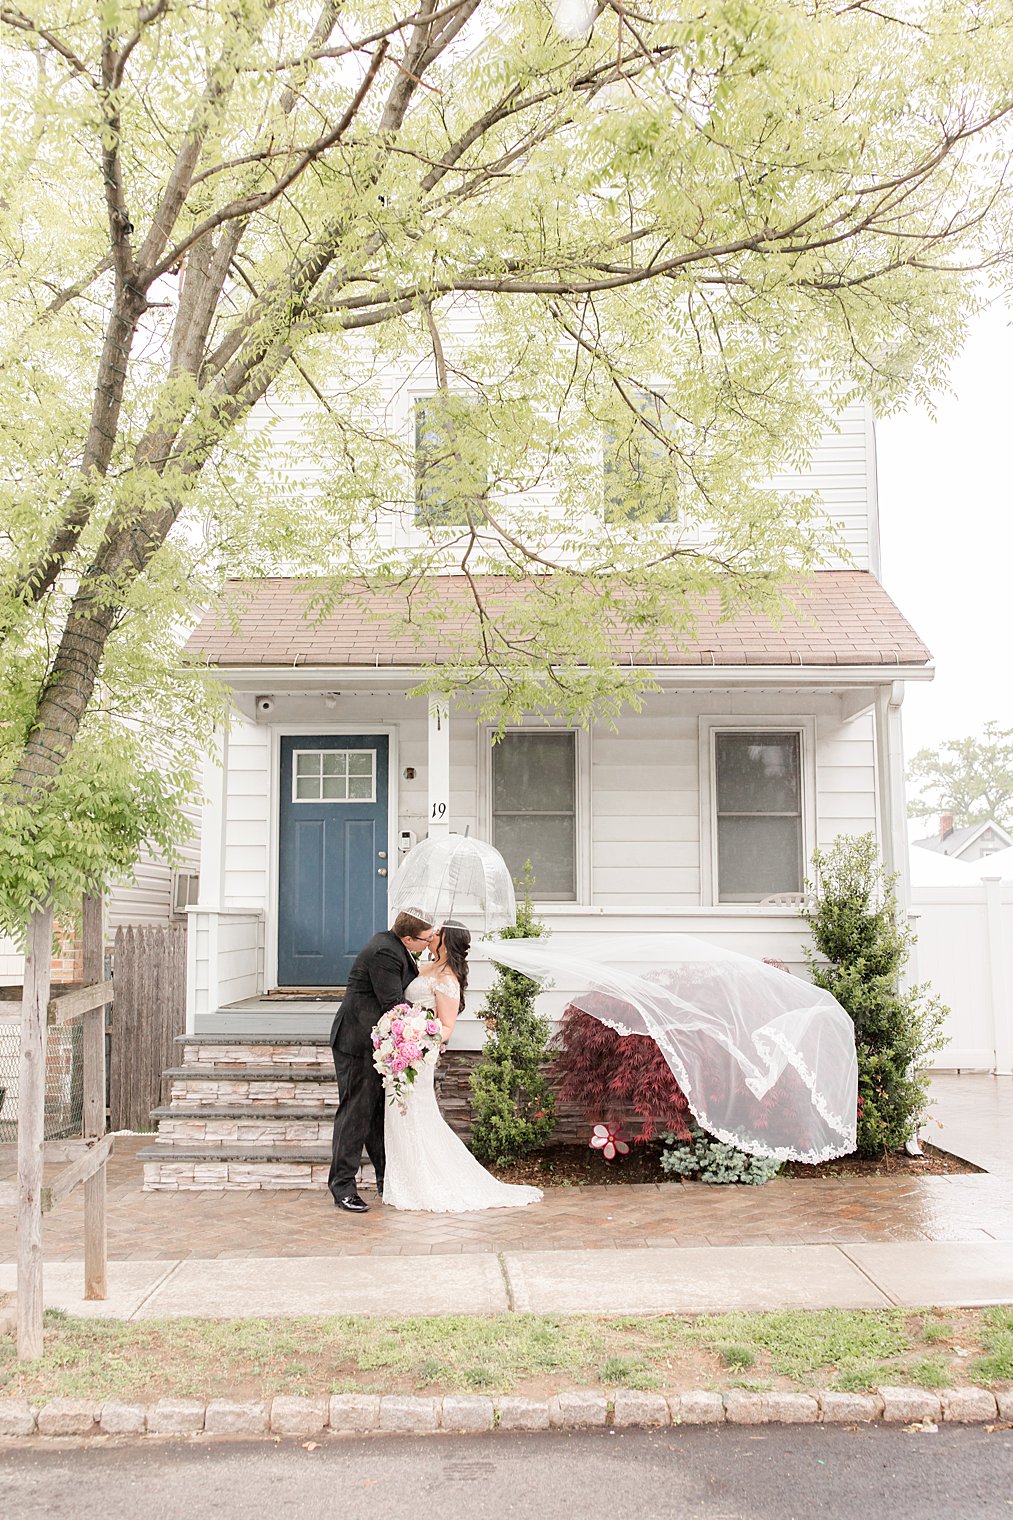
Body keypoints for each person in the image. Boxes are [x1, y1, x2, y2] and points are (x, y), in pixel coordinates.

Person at [383, 922, 543, 1212]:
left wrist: (418, 1036)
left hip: (418, 1056)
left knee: (417, 1113)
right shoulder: (424, 964)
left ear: (446, 941)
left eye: (436, 934)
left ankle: (427, 1181)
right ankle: (408, 1179)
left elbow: (446, 1027)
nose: (431, 936)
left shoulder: (448, 979)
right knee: (399, 1114)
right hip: (400, 1052)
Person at [327, 911, 433, 1213]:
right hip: (356, 1043)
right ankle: (342, 1186)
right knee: (355, 1114)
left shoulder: (397, 946)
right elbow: (394, 1005)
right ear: (409, 938)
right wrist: (430, 1022)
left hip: (376, 1045)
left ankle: (386, 1179)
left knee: (375, 1116)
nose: (427, 944)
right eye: (424, 940)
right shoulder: (385, 952)